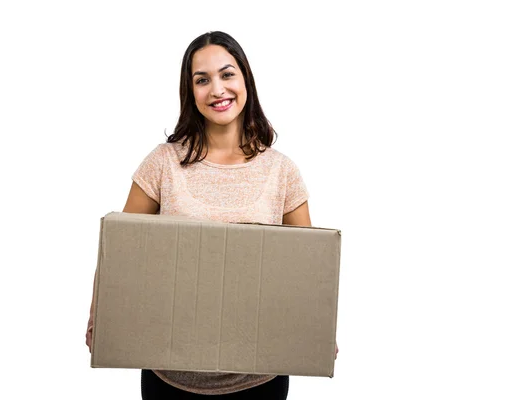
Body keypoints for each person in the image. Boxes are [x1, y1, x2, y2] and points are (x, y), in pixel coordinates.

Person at [85, 31, 338, 399]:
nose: (217, 89)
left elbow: (308, 272)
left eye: (227, 74)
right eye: (202, 80)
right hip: (169, 376)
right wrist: (100, 315)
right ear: (190, 92)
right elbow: (121, 254)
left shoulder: (282, 172)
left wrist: (317, 330)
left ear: (245, 79)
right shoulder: (163, 164)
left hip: (259, 380)